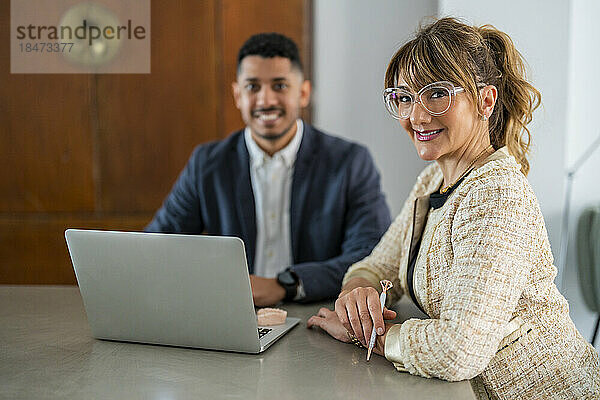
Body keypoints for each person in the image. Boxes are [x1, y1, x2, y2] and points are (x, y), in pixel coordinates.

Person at [307, 17, 600, 399]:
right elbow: (379, 265)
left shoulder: (497, 194)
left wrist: (368, 335)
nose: (417, 115)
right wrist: (358, 294)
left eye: (436, 93)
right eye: (404, 97)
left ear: (485, 100)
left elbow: (458, 350)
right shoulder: (433, 180)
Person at [146, 33, 391, 306]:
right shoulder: (207, 163)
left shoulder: (350, 162)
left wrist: (287, 284)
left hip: (318, 312)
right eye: (252, 87)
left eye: (280, 85)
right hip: (233, 312)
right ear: (237, 95)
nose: (265, 100)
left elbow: (373, 256)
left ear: (303, 93)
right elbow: (159, 245)